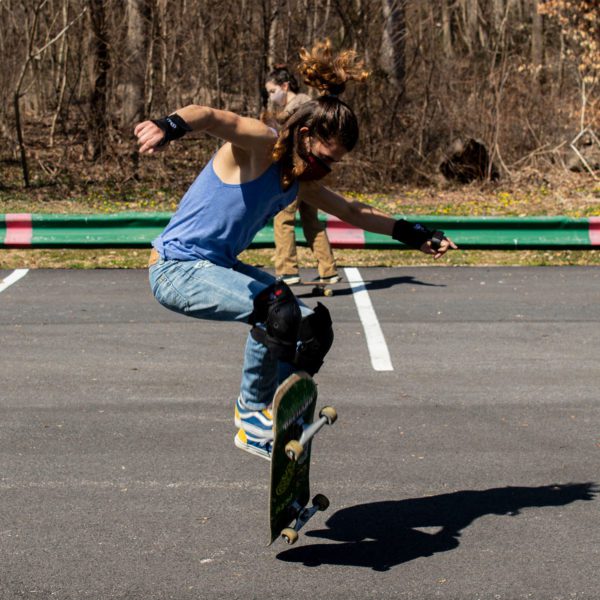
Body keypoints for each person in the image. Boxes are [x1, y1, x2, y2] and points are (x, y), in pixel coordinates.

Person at [134, 39, 457, 461]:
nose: (325, 170)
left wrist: (415, 233)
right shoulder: (262, 144)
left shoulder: (298, 178)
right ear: (304, 136)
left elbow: (353, 211)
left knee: (312, 327)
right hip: (176, 268)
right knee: (277, 308)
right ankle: (251, 416)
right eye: (324, 159)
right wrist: (168, 126)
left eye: (333, 165)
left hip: (215, 266)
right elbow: (211, 115)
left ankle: (286, 409)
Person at [265, 65, 340, 286]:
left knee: (283, 219)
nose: (271, 96)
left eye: (272, 91)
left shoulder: (298, 109)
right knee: (311, 221)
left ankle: (287, 270)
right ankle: (328, 270)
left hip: (297, 171)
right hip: (310, 172)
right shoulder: (310, 106)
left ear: (285, 86)